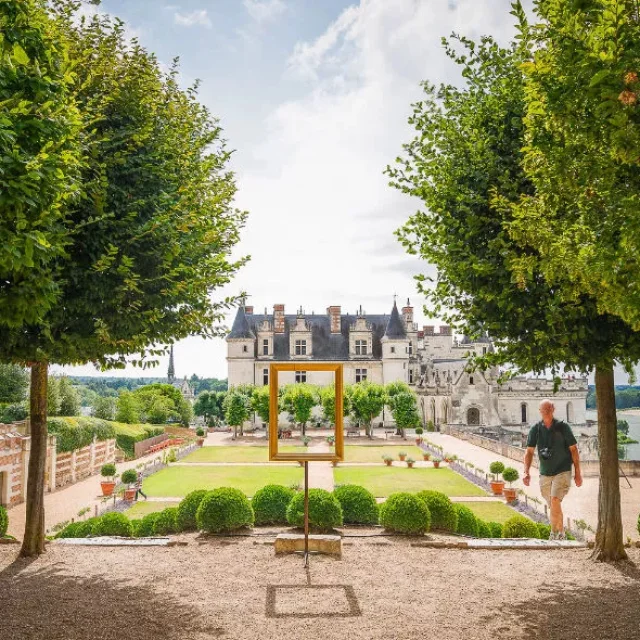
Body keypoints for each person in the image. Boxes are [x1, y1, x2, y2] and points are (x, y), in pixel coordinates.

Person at [523, 399, 582, 540]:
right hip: (545, 473)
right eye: (544, 410)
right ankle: (562, 533)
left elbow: (574, 450)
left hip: (562, 470)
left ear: (553, 409)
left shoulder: (563, 427)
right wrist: (526, 472)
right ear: (540, 411)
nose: (546, 412)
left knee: (555, 500)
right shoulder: (535, 429)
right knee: (554, 505)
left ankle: (553, 534)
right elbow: (529, 451)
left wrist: (578, 473)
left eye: (548, 409)